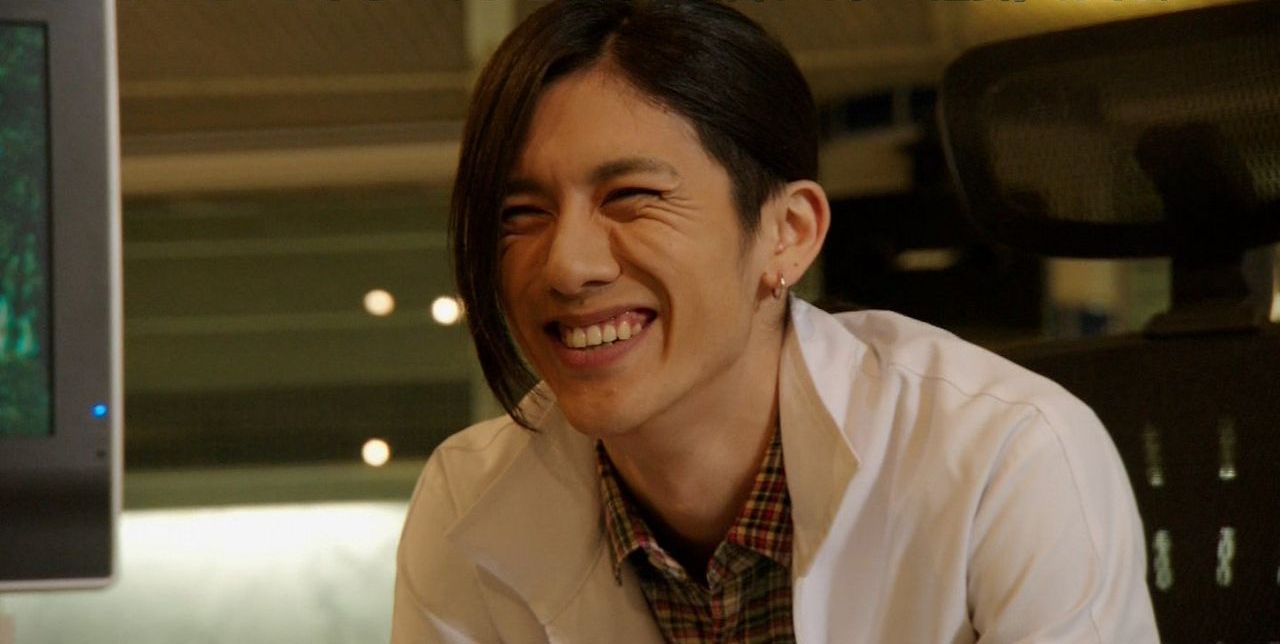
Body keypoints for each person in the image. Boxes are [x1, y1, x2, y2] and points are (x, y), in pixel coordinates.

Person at [392, 1, 1159, 641]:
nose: (566, 266)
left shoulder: (1008, 455)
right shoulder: (467, 501)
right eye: (520, 214)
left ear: (788, 233)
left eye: (631, 197)